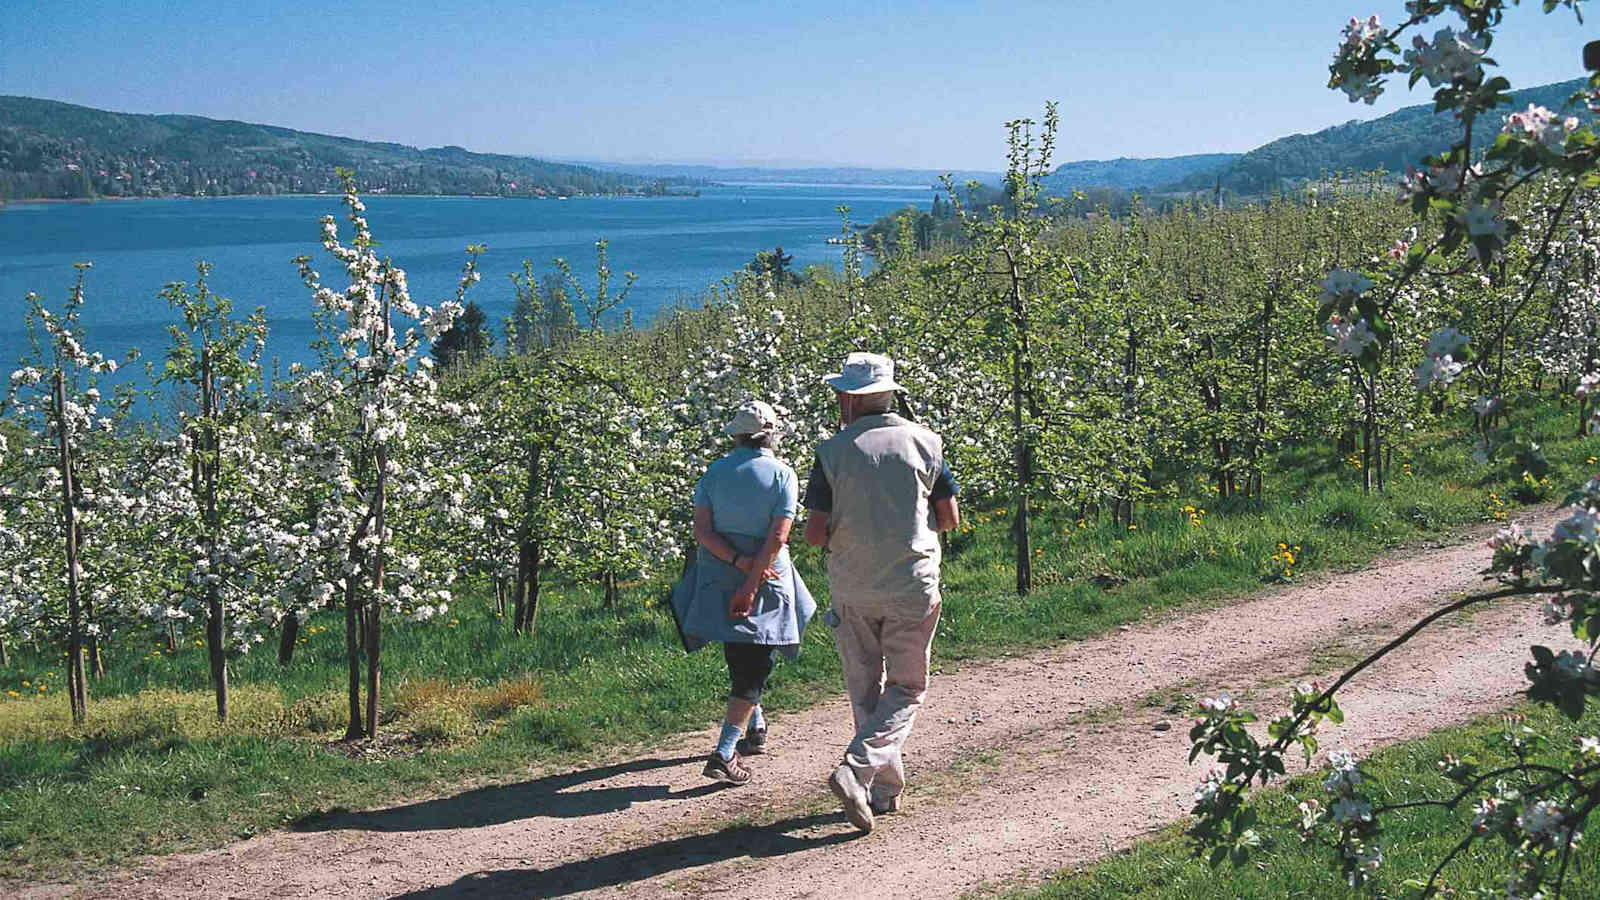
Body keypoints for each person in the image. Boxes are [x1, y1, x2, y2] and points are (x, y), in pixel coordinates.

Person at [804, 351, 960, 833]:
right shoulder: (926, 442)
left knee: (864, 687)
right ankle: (859, 772)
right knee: (908, 687)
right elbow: (950, 517)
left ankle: (879, 789)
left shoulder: (831, 452)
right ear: (890, 392)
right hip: (911, 583)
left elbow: (813, 533)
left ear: (849, 400)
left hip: (852, 586)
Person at [670, 399, 816, 784]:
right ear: (770, 436)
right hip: (765, 578)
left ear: (736, 436)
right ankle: (724, 752)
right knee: (756, 663)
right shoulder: (783, 474)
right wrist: (752, 580)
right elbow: (779, 536)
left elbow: (702, 531)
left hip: (720, 573)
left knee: (741, 652)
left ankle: (756, 726)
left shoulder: (713, 474)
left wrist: (736, 564)